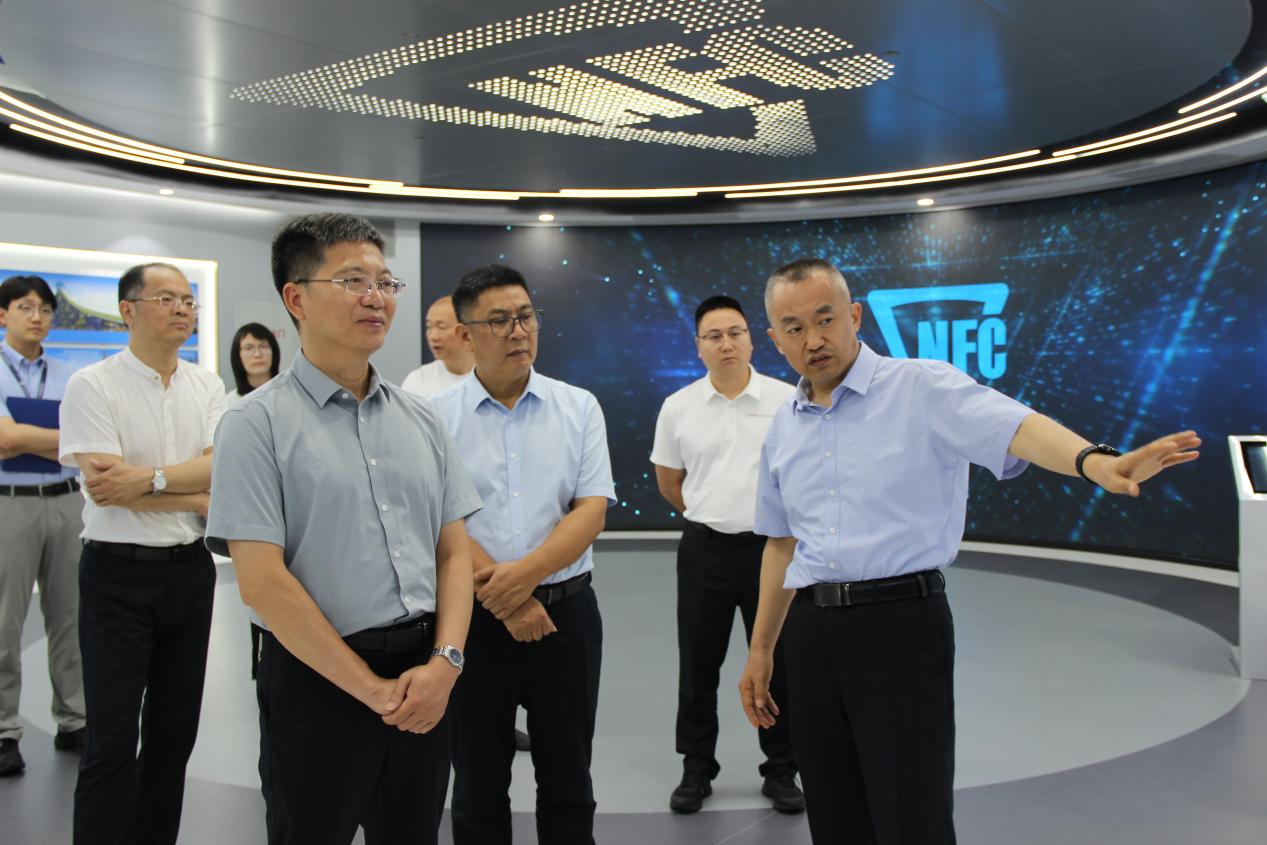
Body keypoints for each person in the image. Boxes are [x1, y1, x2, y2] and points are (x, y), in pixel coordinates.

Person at [737, 258, 1201, 845]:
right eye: (795, 327)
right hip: (809, 634)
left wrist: (1094, 462)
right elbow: (781, 543)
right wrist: (761, 649)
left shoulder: (922, 387)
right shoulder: (784, 425)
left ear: (854, 316)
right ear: (776, 340)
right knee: (833, 811)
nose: (814, 339)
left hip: (899, 625)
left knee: (911, 816)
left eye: (825, 319)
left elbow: (1016, 428)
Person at [205, 212, 481, 845]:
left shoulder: (422, 419)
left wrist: (446, 663)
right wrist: (374, 693)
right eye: (353, 280)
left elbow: (453, 553)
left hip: (425, 676)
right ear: (296, 298)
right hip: (316, 680)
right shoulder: (254, 424)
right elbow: (262, 583)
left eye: (385, 282)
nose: (376, 297)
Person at [431, 263, 615, 845]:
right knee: (477, 781)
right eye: (499, 321)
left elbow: (590, 510)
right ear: (466, 335)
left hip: (567, 618)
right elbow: (440, 522)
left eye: (526, 317)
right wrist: (508, 601)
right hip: (472, 624)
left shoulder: (578, 406)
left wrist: (525, 581)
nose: (518, 331)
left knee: (569, 778)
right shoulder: (434, 418)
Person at [58, 262, 225, 845]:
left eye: (188, 300)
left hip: (190, 572)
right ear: (127, 310)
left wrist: (150, 480)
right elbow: (107, 488)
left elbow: (219, 470)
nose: (182, 309)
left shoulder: (207, 386)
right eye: (166, 298)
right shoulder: (92, 385)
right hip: (116, 575)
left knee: (173, 740)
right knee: (110, 741)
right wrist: (191, 493)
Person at [650, 294, 801, 814]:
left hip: (771, 549)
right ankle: (697, 767)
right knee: (698, 664)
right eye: (714, 336)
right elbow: (669, 482)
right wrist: (711, 511)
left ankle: (781, 768)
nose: (726, 344)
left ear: (752, 340)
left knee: (779, 661)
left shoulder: (786, 399)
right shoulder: (679, 407)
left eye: (735, 333)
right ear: (699, 347)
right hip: (705, 550)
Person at [0, 275, 86, 777]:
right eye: (25, 307)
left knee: (71, 617)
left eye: (46, 309)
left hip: (66, 501)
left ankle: (75, 719)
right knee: (5, 621)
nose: (37, 317)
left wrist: (24, 436)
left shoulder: (69, 375)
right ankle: (4, 730)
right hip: (10, 505)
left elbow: (84, 440)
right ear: (3, 314)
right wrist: (57, 438)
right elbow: (4, 441)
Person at [401, 295, 474, 398]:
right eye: (429, 327)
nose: (433, 336)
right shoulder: (417, 381)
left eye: (441, 327)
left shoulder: (491, 379)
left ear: (464, 332)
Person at [226, 322, 280, 406]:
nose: (257, 354)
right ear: (238, 356)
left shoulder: (290, 395)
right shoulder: (229, 403)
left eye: (263, 346)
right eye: (249, 348)